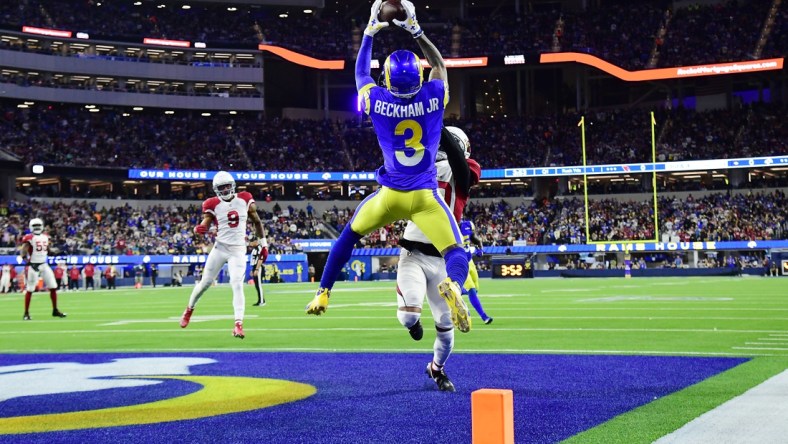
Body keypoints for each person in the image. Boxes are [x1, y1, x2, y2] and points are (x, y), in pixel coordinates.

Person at [306, 0, 471, 341]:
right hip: (425, 198)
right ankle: (453, 285)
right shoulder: (434, 94)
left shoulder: (378, 101)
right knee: (456, 252)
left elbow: (361, 74)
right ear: (420, 77)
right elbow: (439, 64)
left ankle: (323, 291)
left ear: (388, 80)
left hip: (390, 196)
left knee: (349, 236)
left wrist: (369, 31)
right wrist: (416, 29)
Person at [396, 126, 481, 391]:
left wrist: (437, 124)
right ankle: (413, 322)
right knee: (409, 317)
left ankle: (436, 368)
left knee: (446, 328)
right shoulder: (420, 167)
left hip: (444, 258)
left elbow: (458, 163)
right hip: (413, 253)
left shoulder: (466, 170)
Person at [180, 171, 265, 339]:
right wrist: (199, 229)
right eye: (222, 187)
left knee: (237, 285)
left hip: (238, 250)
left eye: (227, 186)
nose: (225, 190)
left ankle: (238, 324)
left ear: (233, 185)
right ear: (216, 189)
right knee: (205, 283)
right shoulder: (212, 203)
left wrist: (264, 244)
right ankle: (189, 309)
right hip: (220, 248)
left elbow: (257, 221)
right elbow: (205, 222)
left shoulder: (245, 198)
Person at [19, 218, 66, 320]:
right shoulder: (30, 237)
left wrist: (56, 252)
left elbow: (47, 251)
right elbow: (23, 251)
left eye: (37, 226)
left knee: (53, 286)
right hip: (34, 265)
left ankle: (55, 310)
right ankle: (26, 313)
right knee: (30, 289)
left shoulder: (44, 237)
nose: (36, 228)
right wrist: (28, 263)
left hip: (44, 264)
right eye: (35, 226)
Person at [459, 219, 493, 324]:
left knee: (475, 288)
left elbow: (476, 240)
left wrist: (480, 249)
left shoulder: (467, 225)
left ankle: (459, 291)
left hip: (470, 262)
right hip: (460, 263)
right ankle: (484, 316)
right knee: (472, 290)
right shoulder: (448, 228)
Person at [249, 233, 269, 306]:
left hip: (258, 267)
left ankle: (262, 301)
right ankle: (260, 300)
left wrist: (257, 269)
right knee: (257, 285)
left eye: (252, 241)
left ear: (255, 241)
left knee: (259, 285)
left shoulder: (259, 248)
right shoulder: (254, 249)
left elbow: (260, 259)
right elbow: (254, 259)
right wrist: (252, 269)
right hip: (255, 267)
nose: (250, 243)